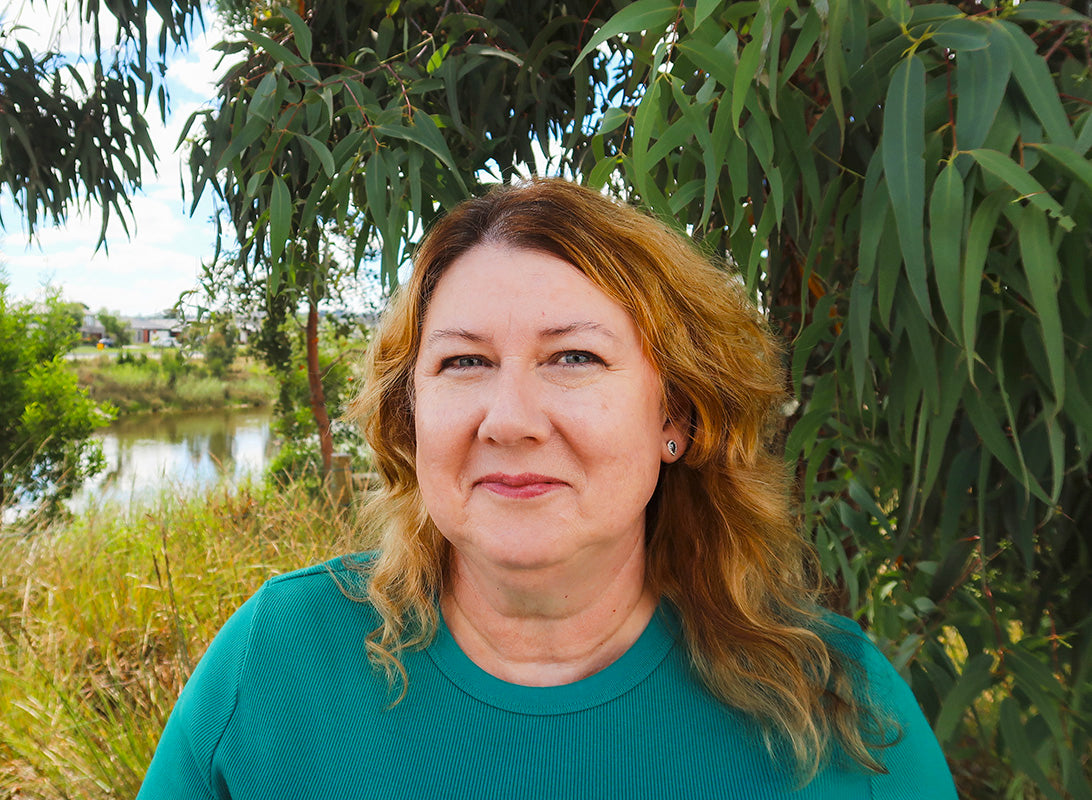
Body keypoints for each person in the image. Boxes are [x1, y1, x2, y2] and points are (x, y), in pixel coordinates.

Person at [138, 179, 957, 799]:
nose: (510, 420)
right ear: (410, 414)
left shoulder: (838, 708)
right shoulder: (279, 660)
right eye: (464, 362)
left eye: (573, 358)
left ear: (676, 412)